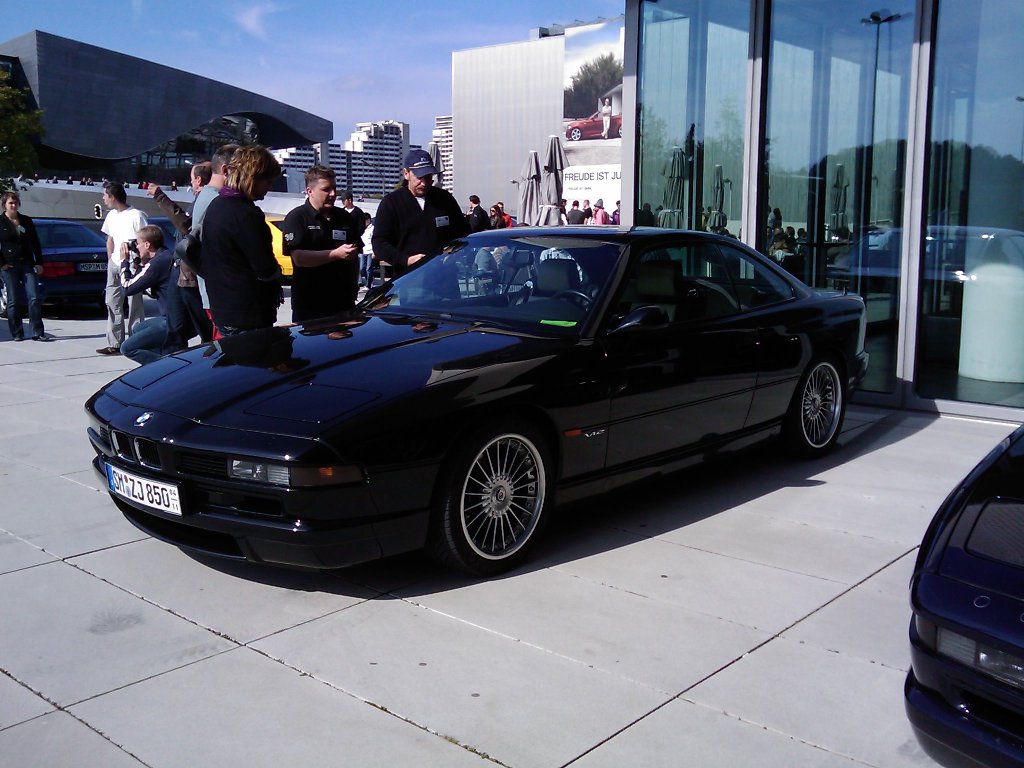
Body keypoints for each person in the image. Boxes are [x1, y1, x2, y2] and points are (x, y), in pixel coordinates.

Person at [201, 145, 283, 336]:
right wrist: (276, 273)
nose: (270, 187)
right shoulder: (246, 214)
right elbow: (264, 267)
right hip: (248, 313)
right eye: (268, 181)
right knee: (255, 354)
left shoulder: (217, 205)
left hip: (223, 307)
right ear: (252, 177)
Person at [372, 148, 469, 277]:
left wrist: (454, 251)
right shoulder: (391, 203)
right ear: (406, 174)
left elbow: (464, 233)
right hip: (408, 278)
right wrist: (406, 260)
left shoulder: (445, 199)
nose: (424, 183)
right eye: (419, 177)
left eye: (428, 177)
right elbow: (379, 243)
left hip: (445, 276)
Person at [282, 165, 361, 322]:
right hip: (310, 304)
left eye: (334, 188)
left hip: (343, 302)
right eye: (326, 189)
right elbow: (299, 258)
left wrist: (354, 286)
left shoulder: (345, 218)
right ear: (309, 191)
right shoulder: (297, 218)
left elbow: (354, 256)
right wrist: (335, 254)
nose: (333, 194)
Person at [146, 161, 214, 342]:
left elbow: (185, 224)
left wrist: (160, 197)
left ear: (199, 180)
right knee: (176, 328)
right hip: (182, 273)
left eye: (191, 179)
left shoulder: (205, 201)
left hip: (190, 275)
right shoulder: (200, 200)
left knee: (202, 328)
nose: (190, 183)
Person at [118, 225, 185, 364]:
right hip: (174, 317)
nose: (136, 247)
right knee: (137, 329)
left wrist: (124, 262)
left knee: (127, 348)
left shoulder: (157, 263)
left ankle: (166, 366)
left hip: (173, 321)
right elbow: (146, 287)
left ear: (147, 245)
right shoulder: (165, 255)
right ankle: (165, 357)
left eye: (138, 243)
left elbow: (127, 288)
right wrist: (138, 262)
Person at [191, 144, 238, 339]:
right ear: (226, 170)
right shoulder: (217, 201)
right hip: (222, 297)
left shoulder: (207, 196)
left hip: (216, 294)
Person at [97, 181, 147, 355]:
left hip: (132, 265)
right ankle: (115, 343)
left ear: (113, 197)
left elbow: (145, 240)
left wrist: (141, 263)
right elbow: (110, 239)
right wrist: (110, 258)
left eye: (105, 195)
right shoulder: (111, 216)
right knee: (112, 302)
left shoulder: (136, 215)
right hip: (115, 264)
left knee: (134, 304)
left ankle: (136, 340)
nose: (103, 199)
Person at [0, 191, 50, 341]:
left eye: (15, 203)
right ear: (4, 205)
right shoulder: (1, 222)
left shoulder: (26, 221)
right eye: (10, 203)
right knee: (13, 300)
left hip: (27, 263)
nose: (13, 205)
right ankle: (17, 333)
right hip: (10, 265)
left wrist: (39, 262)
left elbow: (35, 242)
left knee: (34, 297)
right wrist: (2, 263)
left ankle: (37, 332)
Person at [360, 212, 375, 288]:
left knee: (368, 268)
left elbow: (374, 240)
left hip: (370, 251)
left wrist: (374, 252)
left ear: (369, 220)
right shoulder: (362, 228)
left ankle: (368, 285)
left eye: (365, 220)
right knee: (362, 268)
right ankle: (369, 280)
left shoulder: (372, 229)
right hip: (363, 251)